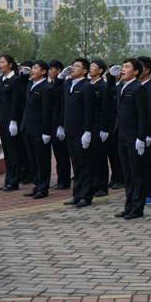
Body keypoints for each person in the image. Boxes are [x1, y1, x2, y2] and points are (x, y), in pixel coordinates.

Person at [111, 59, 148, 219]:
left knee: (136, 173)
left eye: (127, 67)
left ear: (136, 72)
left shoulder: (138, 88)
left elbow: (143, 115)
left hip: (133, 137)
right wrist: (110, 77)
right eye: (123, 67)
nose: (123, 69)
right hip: (121, 136)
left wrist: (141, 137)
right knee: (127, 173)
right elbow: (108, 91)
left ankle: (137, 208)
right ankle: (129, 205)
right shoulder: (121, 86)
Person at [57, 58, 96, 208]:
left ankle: (86, 196)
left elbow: (89, 111)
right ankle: (77, 194)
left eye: (77, 66)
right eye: (72, 66)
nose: (73, 68)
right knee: (76, 164)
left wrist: (87, 131)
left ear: (85, 71)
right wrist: (61, 76)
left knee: (84, 164)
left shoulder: (87, 87)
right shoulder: (68, 84)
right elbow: (56, 89)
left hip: (81, 131)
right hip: (70, 130)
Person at [20, 60, 55, 199]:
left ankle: (43, 188)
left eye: (35, 68)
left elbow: (47, 112)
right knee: (32, 160)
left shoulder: (47, 88)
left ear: (44, 72)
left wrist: (46, 132)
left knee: (42, 160)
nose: (32, 70)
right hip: (28, 128)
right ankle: (37, 185)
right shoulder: (30, 84)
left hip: (40, 130)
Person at [0, 55, 22, 192]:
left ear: (10, 64)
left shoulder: (15, 80)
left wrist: (14, 121)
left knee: (13, 151)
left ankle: (14, 181)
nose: (0, 65)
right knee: (7, 152)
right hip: (2, 118)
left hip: (10, 120)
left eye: (3, 62)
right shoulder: (1, 79)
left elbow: (16, 102)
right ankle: (8, 180)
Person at [89, 59, 112, 198]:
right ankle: (94, 183)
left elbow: (106, 109)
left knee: (100, 157)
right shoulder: (88, 85)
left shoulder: (103, 87)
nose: (91, 69)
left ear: (100, 71)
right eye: (90, 66)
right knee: (91, 157)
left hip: (99, 125)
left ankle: (102, 186)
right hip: (89, 125)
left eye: (94, 67)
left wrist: (104, 128)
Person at [137, 56, 151, 204]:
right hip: (138, 130)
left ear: (146, 70)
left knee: (146, 164)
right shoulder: (137, 86)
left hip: (148, 132)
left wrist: (148, 134)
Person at [47, 60, 71, 190]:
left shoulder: (64, 85)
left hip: (59, 124)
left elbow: (63, 107)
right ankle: (61, 179)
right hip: (52, 123)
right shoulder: (53, 84)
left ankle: (64, 180)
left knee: (62, 154)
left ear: (59, 71)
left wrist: (61, 125)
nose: (50, 72)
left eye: (52, 69)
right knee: (57, 153)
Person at [106, 66, 124, 190]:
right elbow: (110, 88)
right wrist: (110, 76)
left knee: (118, 154)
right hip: (111, 123)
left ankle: (120, 178)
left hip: (120, 124)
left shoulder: (123, 86)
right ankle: (114, 176)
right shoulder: (114, 87)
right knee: (111, 153)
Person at [18, 60, 34, 185]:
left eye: (25, 69)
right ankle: (24, 173)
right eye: (21, 69)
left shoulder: (33, 83)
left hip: (30, 120)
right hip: (21, 120)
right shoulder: (21, 82)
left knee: (30, 151)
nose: (22, 71)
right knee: (22, 149)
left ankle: (30, 174)